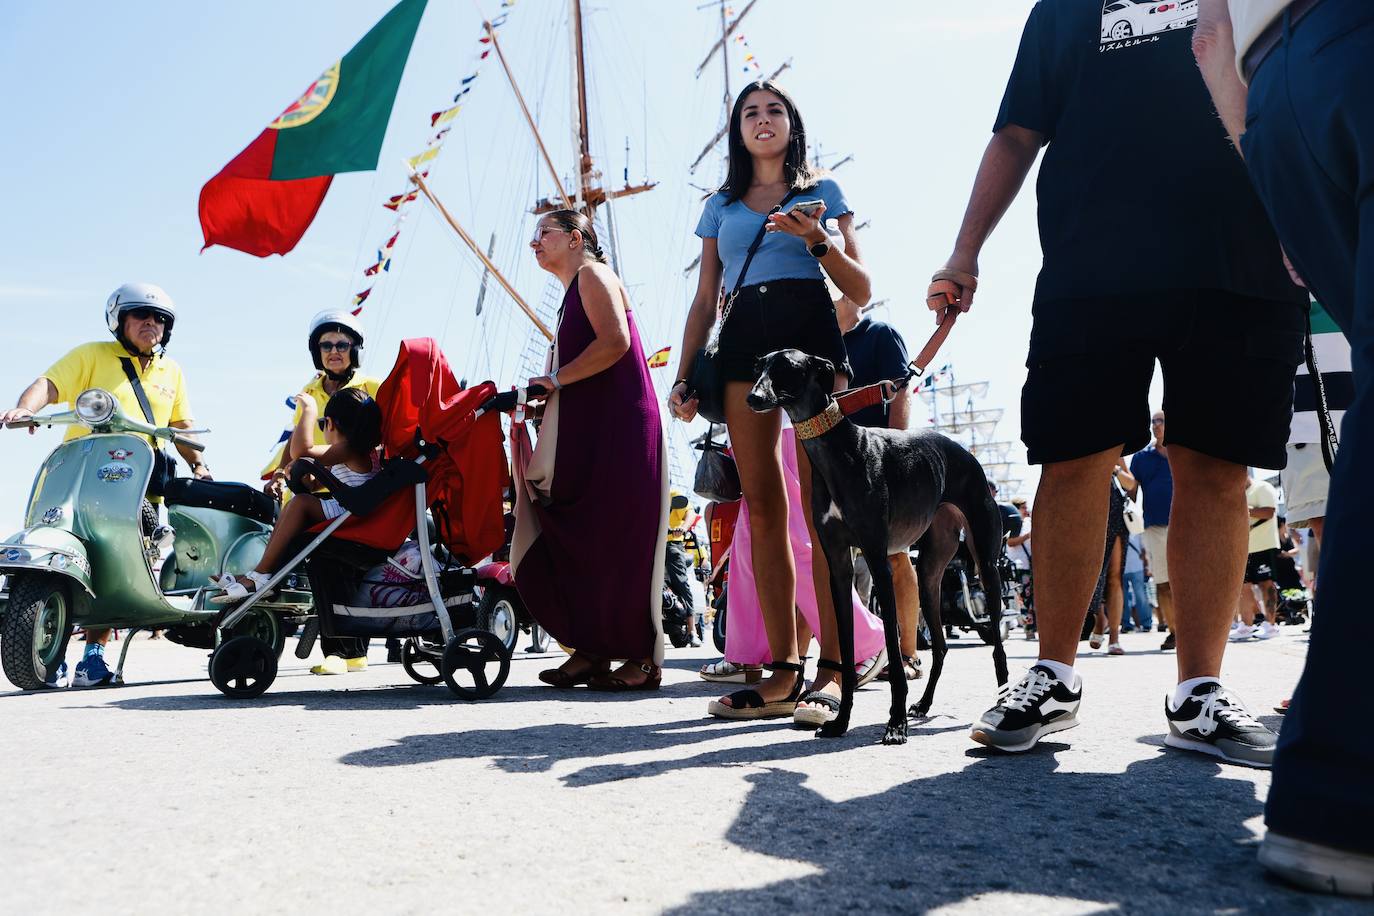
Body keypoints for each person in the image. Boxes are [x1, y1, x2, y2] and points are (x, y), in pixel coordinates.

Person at [940, 2, 1305, 765]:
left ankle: (1199, 690)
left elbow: (1299, 81)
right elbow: (1016, 131)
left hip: (1242, 248)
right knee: (1072, 456)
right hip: (1092, 259)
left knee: (1217, 465)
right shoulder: (1063, 9)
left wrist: (1318, 219)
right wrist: (965, 251)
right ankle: (1052, 674)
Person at [1192, 0, 1374, 893]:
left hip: (1277, 90)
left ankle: (1336, 792)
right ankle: (1349, 795)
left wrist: (1262, 155)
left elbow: (1209, 36)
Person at [669, 80, 871, 724]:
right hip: (741, 346)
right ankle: (784, 672)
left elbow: (861, 288)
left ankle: (835, 669)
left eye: (774, 110)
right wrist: (683, 374)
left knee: (822, 508)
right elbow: (706, 298)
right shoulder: (719, 206)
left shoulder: (823, 190)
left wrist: (817, 239)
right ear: (738, 130)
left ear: (791, 123)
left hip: (810, 339)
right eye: (750, 112)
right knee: (761, 508)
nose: (763, 119)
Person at [0, 283, 211, 688]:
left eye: (159, 319)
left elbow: (182, 425)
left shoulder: (172, 371)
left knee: (118, 561)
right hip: (84, 467)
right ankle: (53, 650)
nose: (151, 323)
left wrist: (199, 464)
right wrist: (26, 408)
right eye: (141, 315)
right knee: (63, 542)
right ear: (120, 320)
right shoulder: (92, 354)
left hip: (137, 479)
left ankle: (93, 657)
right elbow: (50, 383)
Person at [515, 208, 668, 692]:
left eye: (544, 233)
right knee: (586, 532)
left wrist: (555, 380)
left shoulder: (593, 275)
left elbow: (616, 342)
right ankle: (592, 650)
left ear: (576, 238)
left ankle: (642, 657)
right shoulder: (572, 292)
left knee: (619, 535)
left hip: (619, 427)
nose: (535, 243)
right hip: (593, 428)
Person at [212, 388, 382, 650]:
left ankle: (261, 575)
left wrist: (309, 410)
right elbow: (315, 483)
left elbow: (301, 449)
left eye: (323, 424)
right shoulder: (359, 452)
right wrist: (302, 474)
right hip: (350, 513)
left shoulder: (350, 449)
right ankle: (261, 573)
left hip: (350, 518)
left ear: (330, 424)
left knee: (300, 504)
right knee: (298, 504)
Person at [262, 310, 383, 674]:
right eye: (326, 345)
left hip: (354, 493)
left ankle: (343, 651)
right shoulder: (310, 390)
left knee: (334, 566)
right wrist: (279, 472)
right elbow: (294, 441)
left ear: (355, 350)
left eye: (342, 345)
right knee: (317, 564)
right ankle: (343, 650)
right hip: (317, 487)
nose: (334, 351)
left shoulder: (372, 388)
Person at [836, 289, 921, 682]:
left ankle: (908, 653)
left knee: (894, 555)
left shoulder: (879, 333)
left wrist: (897, 453)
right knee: (832, 559)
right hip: (835, 466)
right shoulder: (821, 342)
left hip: (880, 460)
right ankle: (854, 650)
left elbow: (902, 391)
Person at [1128, 411, 1177, 649]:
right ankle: (1175, 632)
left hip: (1187, 526)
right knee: (1163, 582)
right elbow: (1131, 492)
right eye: (1153, 422)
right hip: (1155, 527)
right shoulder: (1140, 458)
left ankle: (1198, 631)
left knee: (1191, 581)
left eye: (1161, 421)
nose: (1156, 425)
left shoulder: (1184, 453)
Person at [1086, 463, 1132, 656]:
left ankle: (1114, 637)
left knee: (1114, 577)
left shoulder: (1117, 451)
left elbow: (1130, 483)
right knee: (1090, 577)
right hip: (1086, 511)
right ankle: (1099, 621)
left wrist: (1114, 467)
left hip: (1114, 515)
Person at [1232, 474, 1281, 641]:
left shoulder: (1263, 487)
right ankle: (1246, 626)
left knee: (1266, 584)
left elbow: (1269, 512)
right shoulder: (1237, 494)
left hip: (1264, 545)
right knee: (1242, 587)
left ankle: (1271, 625)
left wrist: (1244, 510)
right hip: (1243, 548)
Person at [664, 489, 698, 646]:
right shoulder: (645, 497)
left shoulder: (673, 495)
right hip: (650, 545)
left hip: (671, 544)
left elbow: (690, 513)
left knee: (681, 584)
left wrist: (683, 528)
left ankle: (692, 630)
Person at [1007, 498, 1035, 639]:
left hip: (1031, 565)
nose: (1026, 510)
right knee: (1024, 598)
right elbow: (1010, 542)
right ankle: (1028, 628)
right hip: (1019, 566)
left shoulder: (1029, 522)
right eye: (1023, 507)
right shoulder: (1013, 523)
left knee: (1033, 598)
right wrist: (1027, 536)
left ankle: (1032, 626)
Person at [1121, 532, 1153, 634]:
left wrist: (1146, 566)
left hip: (1136, 567)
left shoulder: (1136, 531)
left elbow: (1144, 550)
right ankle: (1126, 624)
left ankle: (1146, 623)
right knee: (1123, 598)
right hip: (1121, 568)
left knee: (1140, 596)